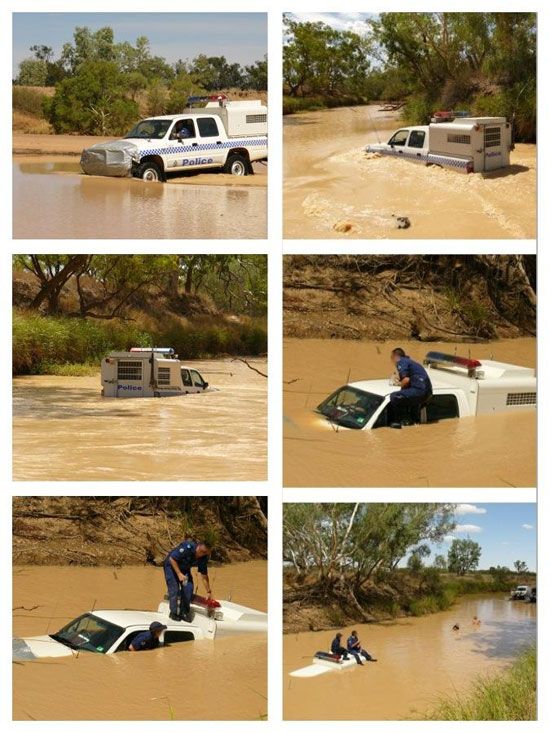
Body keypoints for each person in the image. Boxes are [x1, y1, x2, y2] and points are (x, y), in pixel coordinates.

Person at [164, 539, 212, 622]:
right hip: (171, 566)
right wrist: (179, 574)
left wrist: (208, 591)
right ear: (198, 546)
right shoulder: (187, 547)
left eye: (206, 553)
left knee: (189, 588)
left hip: (184, 569)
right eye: (202, 551)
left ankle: (184, 612)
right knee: (174, 589)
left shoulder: (203, 557)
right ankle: (173, 613)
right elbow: (172, 559)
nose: (202, 554)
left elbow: (204, 575)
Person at [389, 347, 433, 425]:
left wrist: (400, 388)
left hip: (420, 390)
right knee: (412, 402)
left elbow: (406, 380)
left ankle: (398, 421)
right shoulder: (409, 362)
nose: (392, 360)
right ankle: (414, 421)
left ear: (396, 356)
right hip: (427, 392)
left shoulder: (401, 362)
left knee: (394, 396)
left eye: (392, 357)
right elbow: (408, 379)